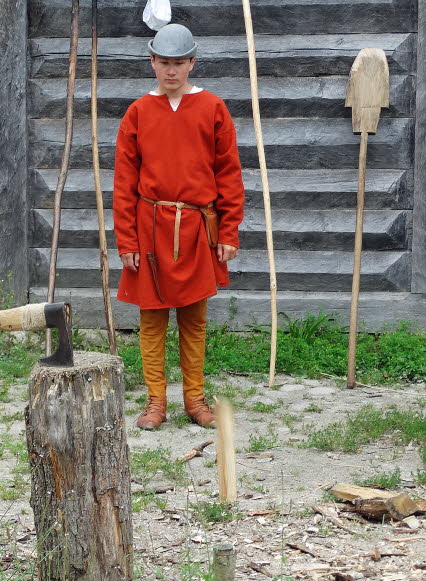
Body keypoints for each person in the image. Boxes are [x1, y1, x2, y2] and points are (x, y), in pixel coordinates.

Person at [113, 23, 244, 430]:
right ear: (152, 62)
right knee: (152, 319)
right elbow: (123, 181)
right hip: (150, 224)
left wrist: (228, 231)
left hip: (197, 226)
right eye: (164, 63)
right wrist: (127, 240)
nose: (171, 71)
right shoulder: (137, 112)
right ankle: (156, 402)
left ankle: (195, 399)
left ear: (192, 63)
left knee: (194, 318)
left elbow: (229, 173)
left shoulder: (213, 108)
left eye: (179, 63)